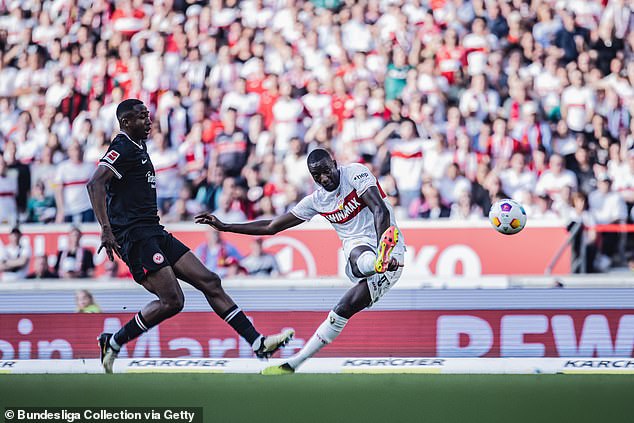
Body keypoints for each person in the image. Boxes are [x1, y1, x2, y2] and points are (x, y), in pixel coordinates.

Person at [87, 99, 293, 373]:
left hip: (154, 230)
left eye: (148, 115)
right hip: (134, 236)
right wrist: (105, 228)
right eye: (141, 117)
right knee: (173, 301)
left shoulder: (139, 145)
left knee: (210, 280)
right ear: (126, 122)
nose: (149, 121)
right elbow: (95, 183)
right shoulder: (122, 145)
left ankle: (258, 342)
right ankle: (113, 341)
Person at [196, 148, 404, 375]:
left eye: (326, 171)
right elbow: (271, 226)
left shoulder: (355, 173)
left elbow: (379, 209)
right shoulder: (316, 201)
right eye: (317, 177)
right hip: (365, 253)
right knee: (341, 309)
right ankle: (294, 364)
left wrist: (387, 248)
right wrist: (226, 226)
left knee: (359, 258)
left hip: (389, 247)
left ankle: (377, 259)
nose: (324, 179)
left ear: (334, 163)